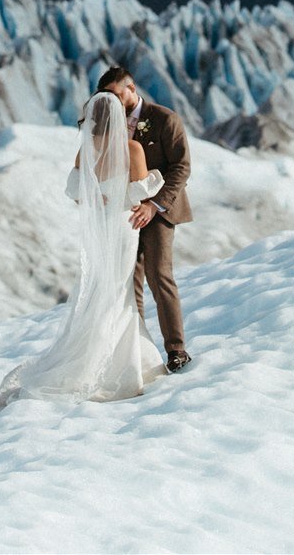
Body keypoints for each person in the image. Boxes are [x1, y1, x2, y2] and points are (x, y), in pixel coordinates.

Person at [0, 89, 168, 407]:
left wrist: (97, 197)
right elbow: (138, 195)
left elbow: (75, 191)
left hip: (98, 229)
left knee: (103, 289)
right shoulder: (132, 149)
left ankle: (119, 358)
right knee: (119, 292)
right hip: (123, 227)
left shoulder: (85, 150)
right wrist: (150, 181)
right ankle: (121, 367)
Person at [96, 63, 192, 374]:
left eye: (115, 94)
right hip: (123, 213)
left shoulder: (164, 118)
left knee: (158, 275)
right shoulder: (107, 123)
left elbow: (181, 167)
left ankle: (176, 350)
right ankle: (137, 353)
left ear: (131, 89)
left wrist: (155, 205)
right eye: (106, 96)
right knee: (128, 282)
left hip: (159, 211)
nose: (111, 101)